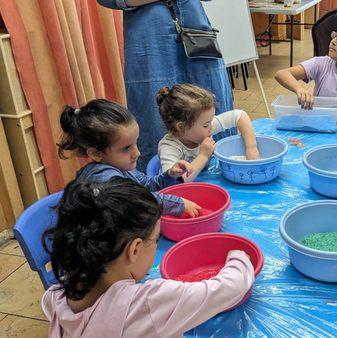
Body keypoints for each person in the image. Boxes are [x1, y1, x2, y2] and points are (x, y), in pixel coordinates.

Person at [41, 177, 255, 337]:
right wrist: (239, 256)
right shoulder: (147, 303)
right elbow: (231, 287)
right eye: (155, 239)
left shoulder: (58, 294)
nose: (155, 246)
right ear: (134, 249)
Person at [97, 0, 234, 170]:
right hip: (150, 40)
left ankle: (228, 173)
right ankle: (164, 187)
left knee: (210, 108)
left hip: (196, 33)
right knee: (157, 117)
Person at [57, 99, 201, 217]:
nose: (137, 153)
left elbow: (147, 186)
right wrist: (176, 204)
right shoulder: (102, 178)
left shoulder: (123, 167)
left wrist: (170, 175)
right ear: (96, 154)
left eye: (135, 143)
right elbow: (136, 200)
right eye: (126, 148)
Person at [157, 84, 259, 181]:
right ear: (181, 127)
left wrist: (252, 148)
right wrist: (203, 156)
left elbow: (240, 115)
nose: (211, 127)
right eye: (206, 125)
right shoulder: (169, 147)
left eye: (211, 121)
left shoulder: (202, 127)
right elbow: (173, 181)